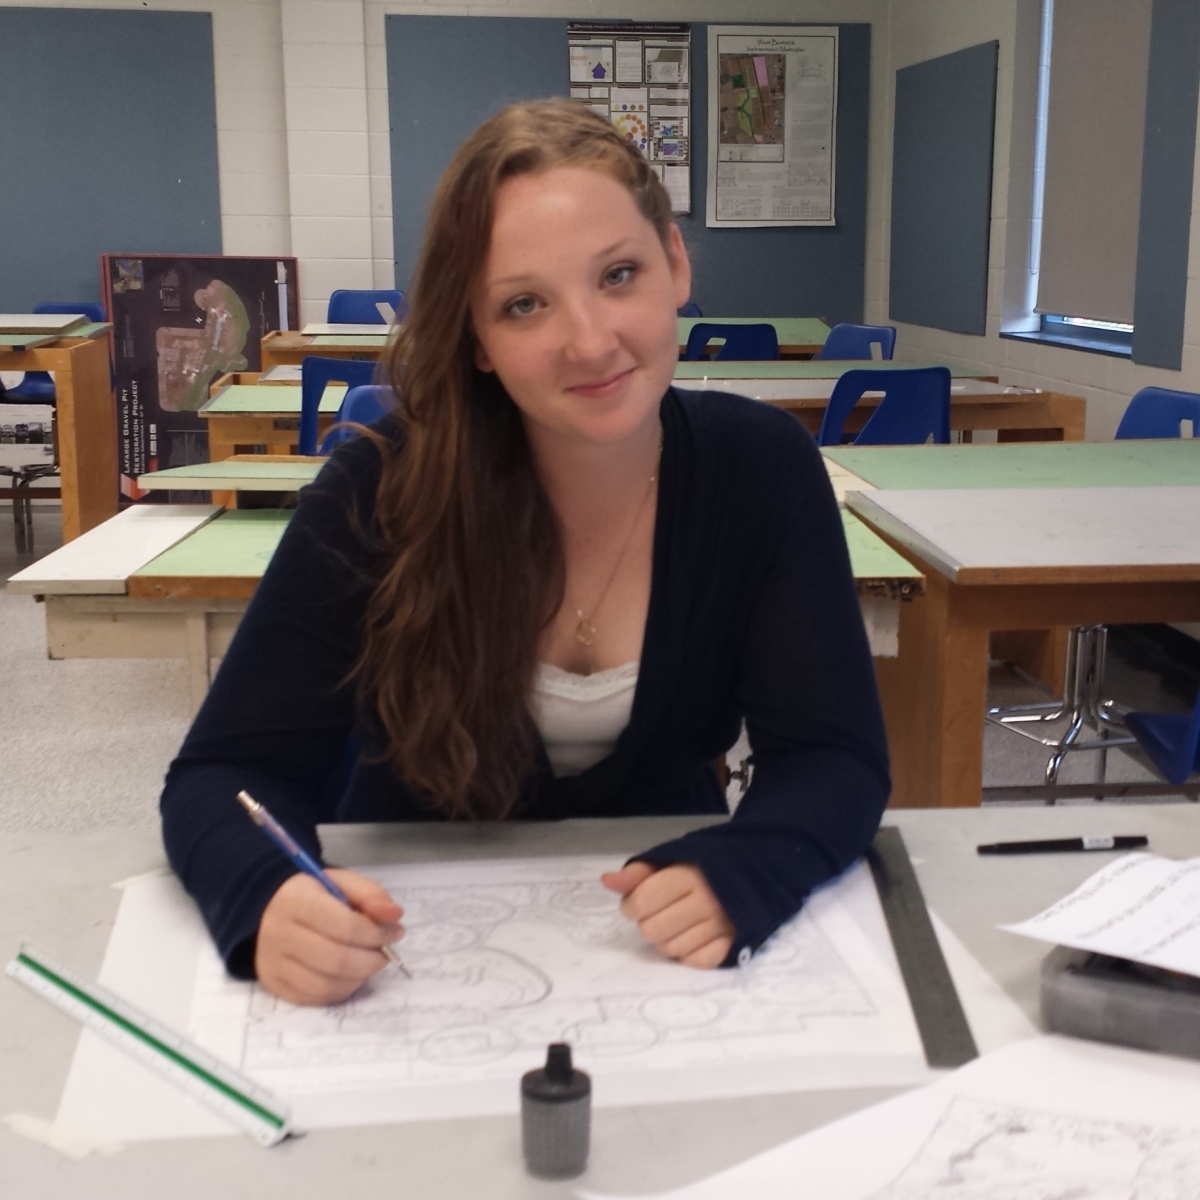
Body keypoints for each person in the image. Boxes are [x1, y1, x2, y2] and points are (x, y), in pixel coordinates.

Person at [161, 99, 890, 1007]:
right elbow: (222, 776)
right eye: (524, 304)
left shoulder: (762, 470)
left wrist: (754, 863)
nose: (589, 340)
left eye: (618, 274)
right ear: (477, 338)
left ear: (675, 263)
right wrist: (266, 896)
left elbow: (833, 757)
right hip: (413, 963)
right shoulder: (379, 490)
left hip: (665, 963)